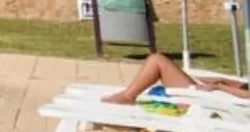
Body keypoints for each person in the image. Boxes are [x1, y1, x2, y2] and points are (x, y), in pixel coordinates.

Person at [104, 49, 250, 105]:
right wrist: (219, 81)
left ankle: (128, 96)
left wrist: (219, 86)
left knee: (157, 60)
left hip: (210, 99)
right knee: (158, 60)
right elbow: (243, 86)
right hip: (212, 93)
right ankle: (128, 95)